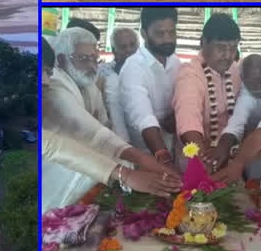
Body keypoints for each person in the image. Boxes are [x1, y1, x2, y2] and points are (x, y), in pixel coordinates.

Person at [42, 38, 180, 212]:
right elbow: (53, 146)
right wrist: (126, 174)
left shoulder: (86, 86)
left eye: (47, 71)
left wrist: (141, 159)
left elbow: (96, 133)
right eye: (84, 58)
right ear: (62, 60)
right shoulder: (57, 89)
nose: (44, 80)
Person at [173, 13, 241, 172]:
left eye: (233, 48)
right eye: (221, 48)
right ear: (203, 42)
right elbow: (188, 122)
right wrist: (206, 161)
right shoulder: (190, 75)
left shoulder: (235, 71)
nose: (228, 55)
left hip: (229, 159)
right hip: (196, 161)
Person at [119, 7, 180, 165]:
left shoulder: (175, 61)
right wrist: (164, 159)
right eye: (160, 33)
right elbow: (144, 118)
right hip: (145, 157)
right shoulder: (133, 67)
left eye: (172, 32)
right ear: (144, 34)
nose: (168, 39)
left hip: (174, 149)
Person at [206, 55, 261, 170]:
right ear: (242, 78)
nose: (257, 86)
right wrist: (223, 145)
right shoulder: (246, 94)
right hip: (254, 144)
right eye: (251, 82)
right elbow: (238, 120)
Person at [50, 23, 110, 127]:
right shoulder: (55, 84)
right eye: (84, 58)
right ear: (61, 60)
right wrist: (93, 125)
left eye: (95, 59)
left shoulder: (90, 87)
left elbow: (105, 127)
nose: (92, 66)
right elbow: (81, 130)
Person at [96, 27, 139, 141]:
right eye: (123, 47)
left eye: (132, 45)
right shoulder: (103, 72)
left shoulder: (147, 71)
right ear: (114, 51)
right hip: (112, 137)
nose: (129, 50)